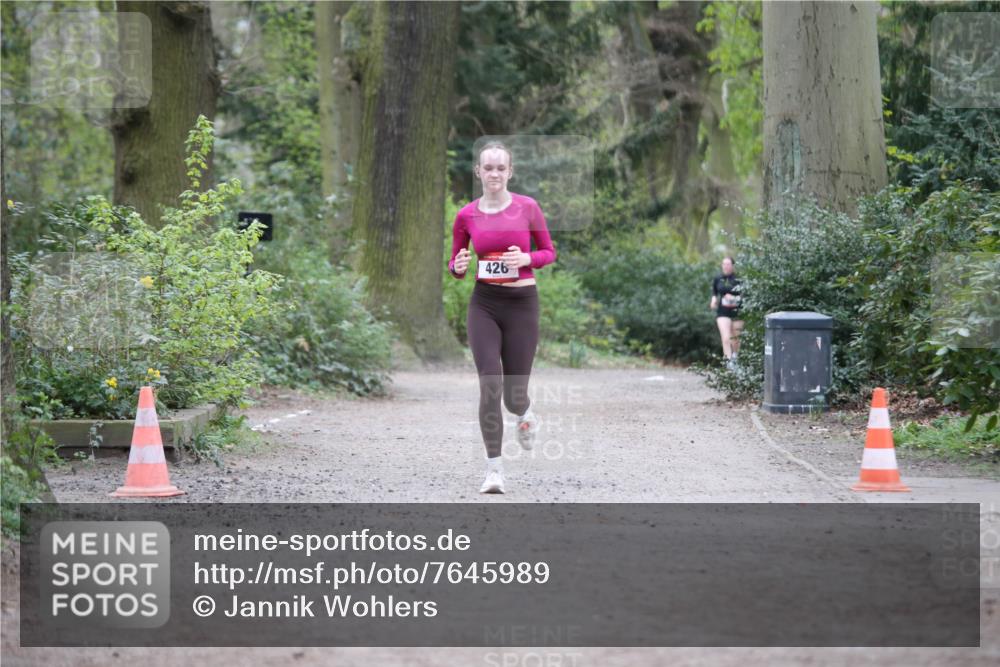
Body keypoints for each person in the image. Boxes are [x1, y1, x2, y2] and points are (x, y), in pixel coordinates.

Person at [448, 141, 557, 494]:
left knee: (513, 395)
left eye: (500, 168)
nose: (494, 173)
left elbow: (548, 252)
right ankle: (493, 470)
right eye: (488, 168)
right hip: (484, 304)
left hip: (522, 305)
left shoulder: (528, 207)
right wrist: (457, 265)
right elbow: (456, 264)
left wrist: (526, 259)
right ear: (478, 172)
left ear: (510, 172)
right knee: (490, 382)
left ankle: (524, 412)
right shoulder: (466, 215)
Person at [710, 256, 743, 367]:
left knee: (736, 339)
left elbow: (745, 295)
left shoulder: (738, 279)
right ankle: (728, 363)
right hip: (722, 312)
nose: (726, 266)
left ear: (733, 266)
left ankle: (735, 358)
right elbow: (715, 292)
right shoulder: (718, 278)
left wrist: (734, 298)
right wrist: (714, 300)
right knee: (725, 337)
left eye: (728, 264)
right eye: (724, 264)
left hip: (737, 312)